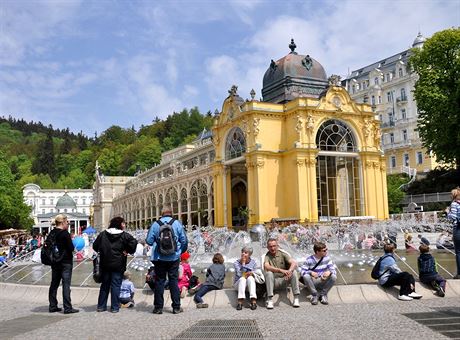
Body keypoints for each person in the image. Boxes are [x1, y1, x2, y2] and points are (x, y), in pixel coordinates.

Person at [145, 205, 188, 314]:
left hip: (159, 258)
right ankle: (176, 307)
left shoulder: (156, 224)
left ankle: (158, 308)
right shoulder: (177, 223)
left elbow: (149, 241)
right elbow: (184, 240)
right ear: (171, 213)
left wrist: (157, 242)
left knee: (160, 281)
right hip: (174, 257)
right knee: (173, 281)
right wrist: (179, 251)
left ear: (162, 213)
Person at [93, 216, 137, 313]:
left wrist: (103, 251)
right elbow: (134, 242)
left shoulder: (103, 234)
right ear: (120, 224)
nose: (125, 225)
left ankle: (101, 306)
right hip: (118, 264)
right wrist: (127, 250)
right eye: (124, 223)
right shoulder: (124, 235)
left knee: (105, 285)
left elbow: (95, 246)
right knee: (116, 285)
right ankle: (114, 307)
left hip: (105, 264)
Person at [47, 214, 79, 314]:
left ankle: (52, 306)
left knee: (54, 284)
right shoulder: (65, 233)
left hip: (55, 262)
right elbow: (71, 248)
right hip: (65, 262)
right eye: (67, 222)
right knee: (66, 284)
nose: (68, 223)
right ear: (62, 222)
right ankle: (67, 307)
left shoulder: (51, 233)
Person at [263, 238, 300, 309]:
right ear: (267, 247)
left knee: (294, 272)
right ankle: (270, 299)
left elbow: (294, 263)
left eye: (274, 246)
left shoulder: (283, 254)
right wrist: (281, 270)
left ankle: (296, 298)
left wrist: (289, 271)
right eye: (270, 246)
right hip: (274, 282)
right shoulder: (267, 256)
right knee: (269, 273)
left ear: (277, 246)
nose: (272, 248)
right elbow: (266, 266)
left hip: (285, 280)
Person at [233, 246, 259, 310]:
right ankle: (240, 302)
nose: (243, 254)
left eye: (246, 252)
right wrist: (243, 263)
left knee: (250, 278)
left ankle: (253, 301)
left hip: (249, 284)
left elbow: (256, 273)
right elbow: (240, 275)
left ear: (250, 254)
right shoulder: (236, 263)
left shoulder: (253, 262)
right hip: (238, 284)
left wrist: (251, 273)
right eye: (242, 252)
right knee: (242, 279)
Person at [447, 187, 460, 279]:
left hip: (458, 228)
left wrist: (448, 212)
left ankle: (459, 274)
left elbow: (452, 217)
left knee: (459, 252)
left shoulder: (455, 204)